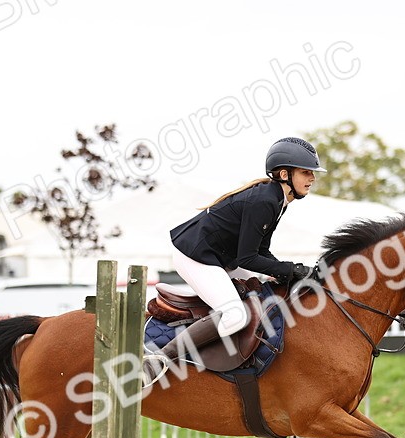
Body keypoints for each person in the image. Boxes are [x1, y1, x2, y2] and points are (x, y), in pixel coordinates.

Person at [140, 137, 326, 386]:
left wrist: (288, 272)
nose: (312, 178)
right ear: (284, 174)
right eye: (306, 172)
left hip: (218, 257)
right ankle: (158, 360)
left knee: (262, 294)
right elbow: (247, 258)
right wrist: (290, 269)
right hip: (195, 255)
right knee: (234, 315)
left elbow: (260, 251)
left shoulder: (277, 200)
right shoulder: (265, 200)